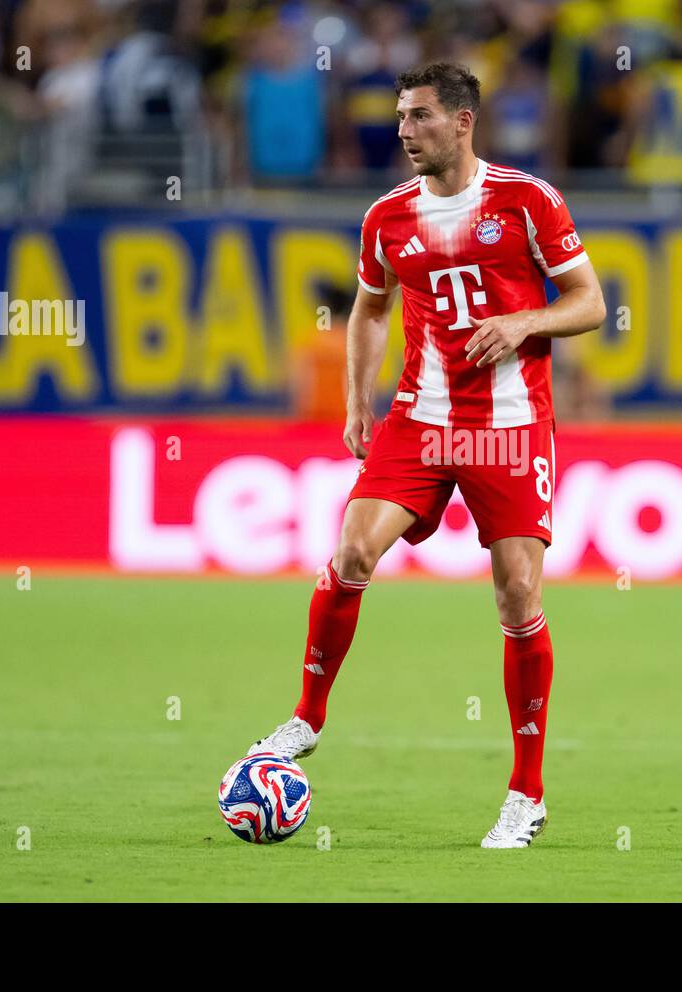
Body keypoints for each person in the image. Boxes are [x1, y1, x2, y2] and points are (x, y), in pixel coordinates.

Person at [250, 61, 606, 849]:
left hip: (511, 426)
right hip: (422, 419)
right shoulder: (387, 218)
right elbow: (371, 309)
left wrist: (524, 324)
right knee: (349, 551)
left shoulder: (526, 200)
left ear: (462, 121)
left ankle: (527, 792)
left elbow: (590, 302)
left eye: (418, 117)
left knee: (516, 593)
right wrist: (357, 399)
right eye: (401, 117)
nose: (404, 130)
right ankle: (308, 718)